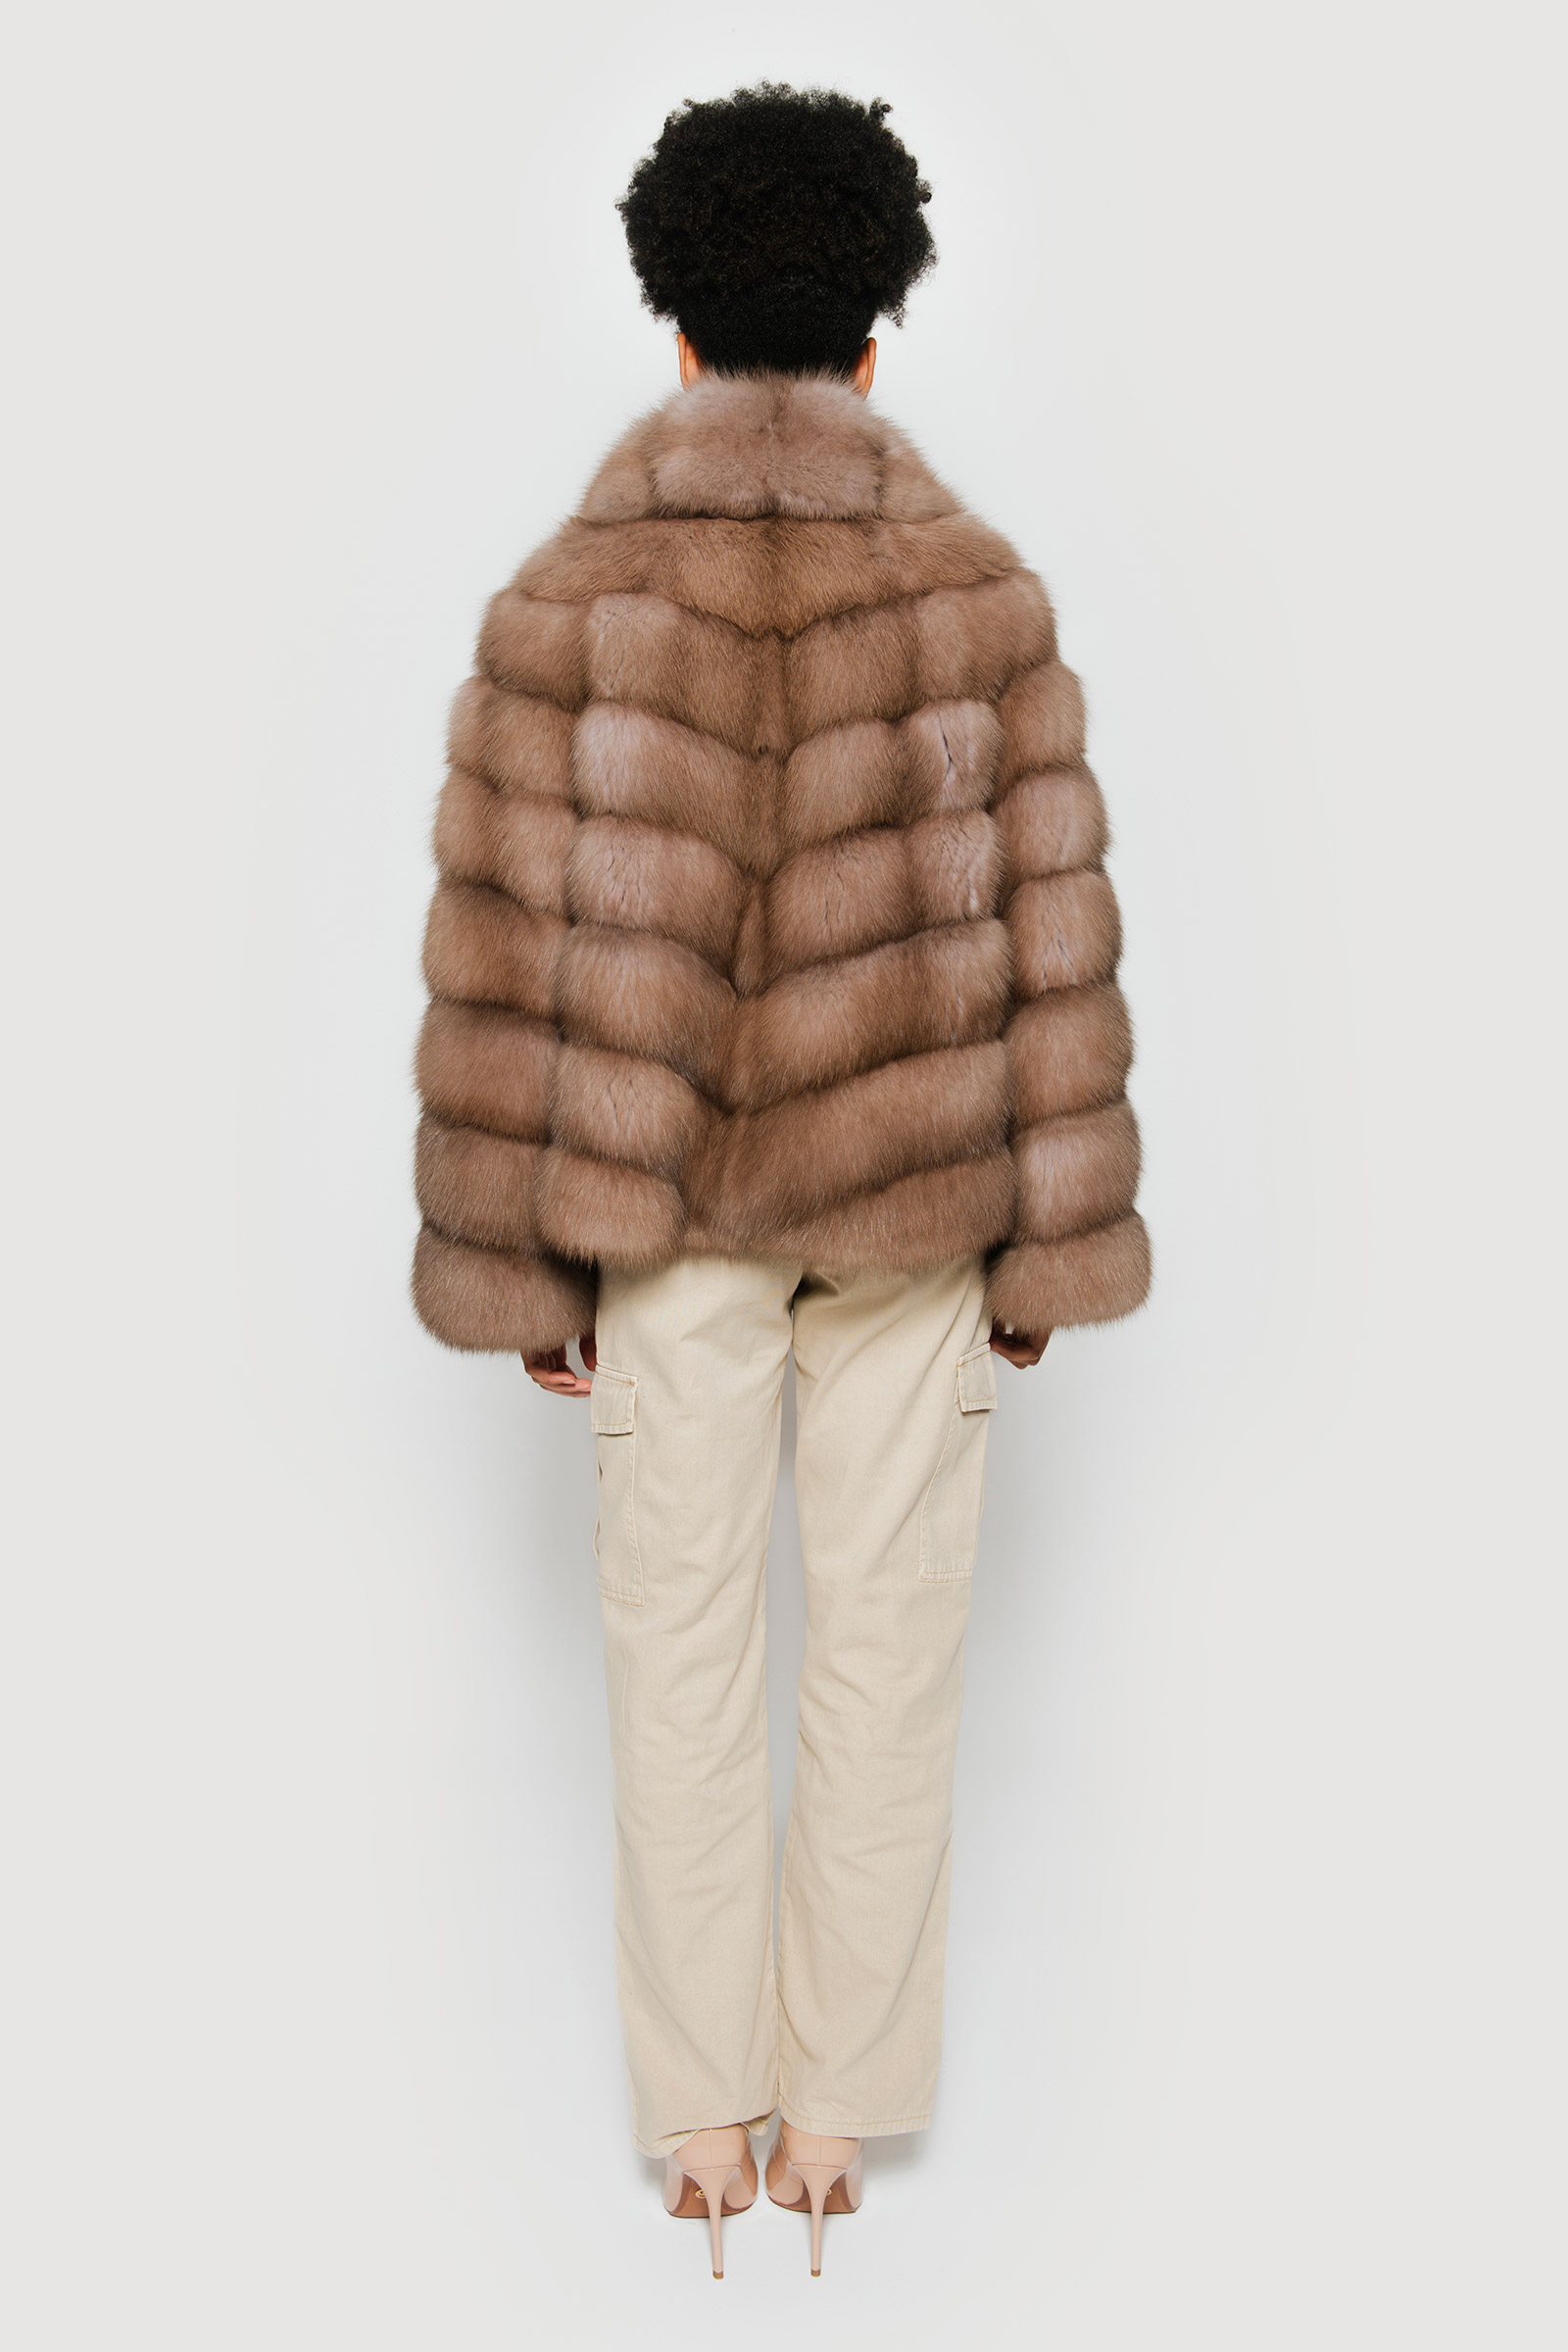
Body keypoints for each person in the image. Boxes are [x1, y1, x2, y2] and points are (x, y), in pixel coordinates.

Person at [411, 83, 1150, 2278]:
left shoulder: (563, 604)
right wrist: (1045, 1242)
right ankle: (836, 2122)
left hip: (660, 1228)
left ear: (671, 327)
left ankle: (704, 2124)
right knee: (889, 1648)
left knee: (675, 1650)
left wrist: (521, 1261)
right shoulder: (977, 600)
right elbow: (1053, 932)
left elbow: (500, 957)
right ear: (872, 339)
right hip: (915, 1213)